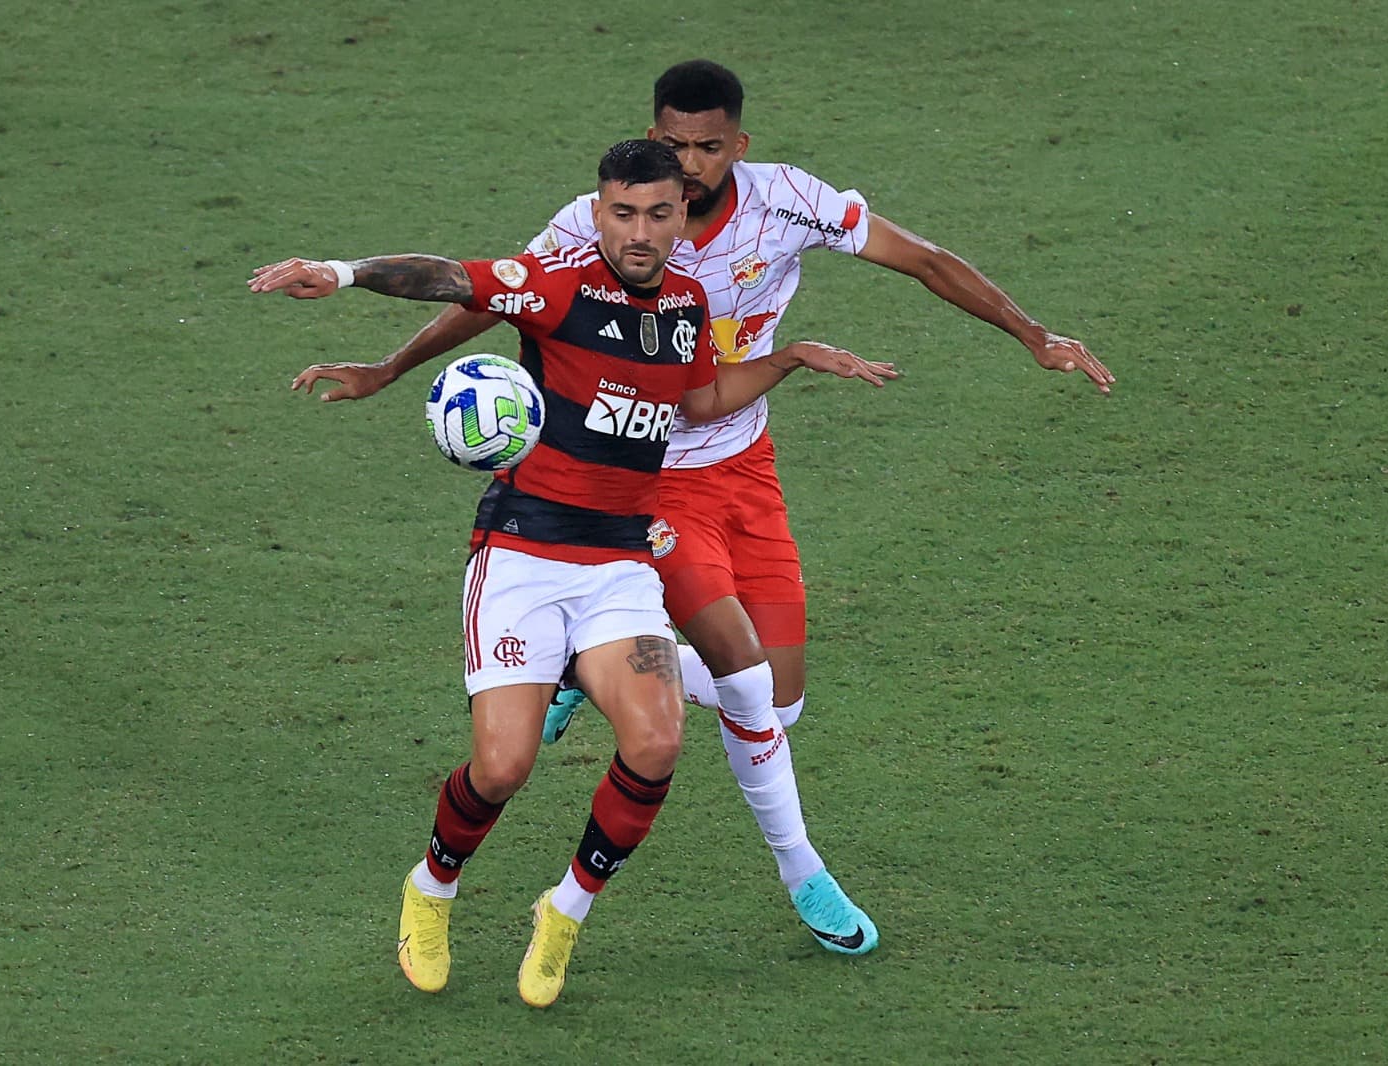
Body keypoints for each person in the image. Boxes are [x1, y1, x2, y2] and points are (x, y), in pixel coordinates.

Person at [292, 60, 1114, 957]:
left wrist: (1031, 332)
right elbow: (498, 299)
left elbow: (917, 258)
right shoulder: (594, 222)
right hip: (643, 489)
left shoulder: (782, 207)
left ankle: (575, 668)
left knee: (779, 697)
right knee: (742, 679)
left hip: (743, 462)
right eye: (672, 145)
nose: (686, 166)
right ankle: (802, 870)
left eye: (706, 149)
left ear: (740, 146)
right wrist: (386, 366)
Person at [248, 139, 895, 1008]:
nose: (639, 231)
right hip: (521, 554)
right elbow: (449, 278)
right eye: (622, 213)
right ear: (597, 214)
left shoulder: (688, 304)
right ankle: (432, 887)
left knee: (658, 743)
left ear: (680, 218)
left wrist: (788, 358)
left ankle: (563, 912)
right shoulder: (557, 284)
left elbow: (695, 401)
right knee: (503, 768)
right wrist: (342, 271)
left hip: (621, 563)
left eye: (658, 214)